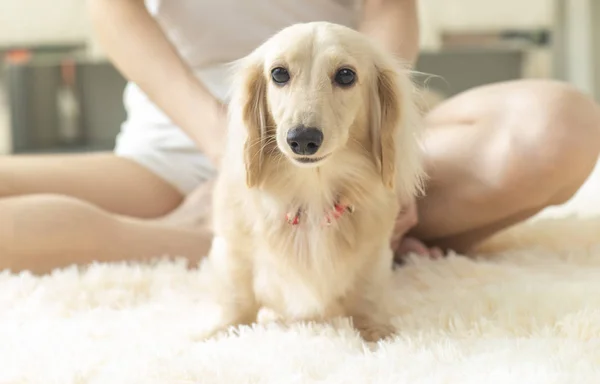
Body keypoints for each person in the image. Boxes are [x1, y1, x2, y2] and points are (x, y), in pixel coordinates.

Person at [1, 0, 599, 274]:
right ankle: (206, 242)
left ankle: (347, 241)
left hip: (347, 153)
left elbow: (391, 9)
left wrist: (391, 158)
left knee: (560, 127)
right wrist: (227, 153)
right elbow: (113, 10)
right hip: (181, 148)